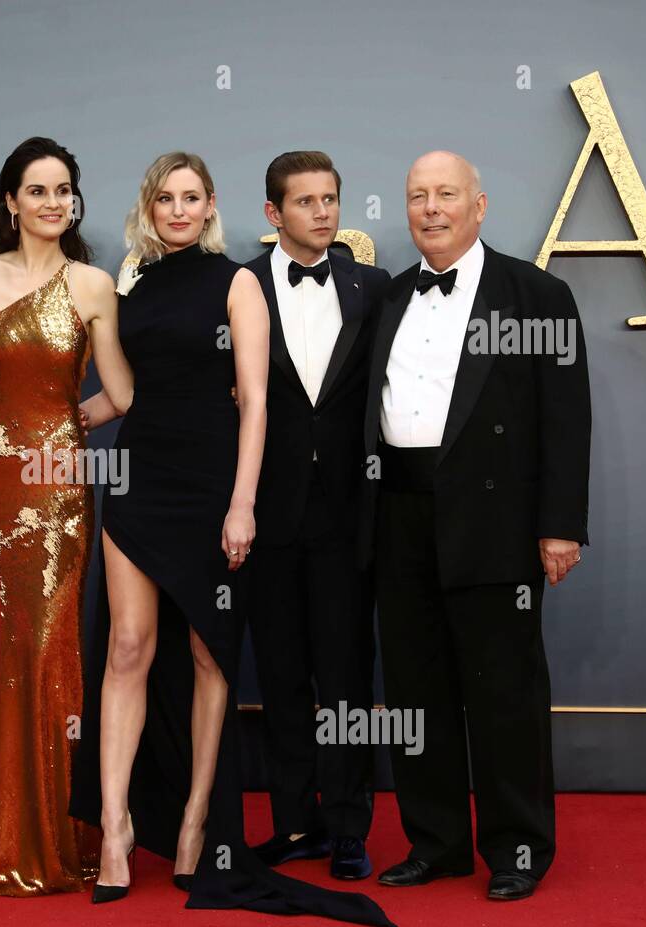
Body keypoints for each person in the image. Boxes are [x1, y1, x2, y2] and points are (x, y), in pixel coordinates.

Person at [70, 152, 394, 927]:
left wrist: (242, 502)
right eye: (164, 199)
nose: (177, 210)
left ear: (211, 204)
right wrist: (52, 423)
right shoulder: (130, 282)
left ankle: (192, 826)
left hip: (217, 482)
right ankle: (114, 827)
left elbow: (255, 402)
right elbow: (122, 389)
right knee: (128, 647)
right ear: (147, 207)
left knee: (214, 653)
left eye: (191, 198)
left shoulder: (236, 280)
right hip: (142, 477)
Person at [361, 150, 591, 901]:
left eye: (446, 195)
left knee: (503, 693)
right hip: (399, 512)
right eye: (417, 195)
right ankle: (437, 842)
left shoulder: (538, 294)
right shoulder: (389, 298)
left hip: (494, 518)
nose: (430, 208)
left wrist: (559, 526)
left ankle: (519, 845)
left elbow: (565, 419)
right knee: (416, 693)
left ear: (480, 205)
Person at [0, 137, 134, 896]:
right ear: (10, 201)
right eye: (37, 190)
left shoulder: (93, 285)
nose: (52, 202)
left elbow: (122, 392)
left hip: (55, 490)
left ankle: (52, 831)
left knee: (47, 649)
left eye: (63, 190)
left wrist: (64, 424)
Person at [244, 152, 391, 880]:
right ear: (274, 214)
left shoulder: (375, 287)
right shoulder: (238, 287)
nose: (323, 212)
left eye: (330, 199)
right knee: (280, 676)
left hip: (345, 515)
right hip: (266, 515)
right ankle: (294, 823)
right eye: (305, 202)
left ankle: (348, 828)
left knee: (346, 677)